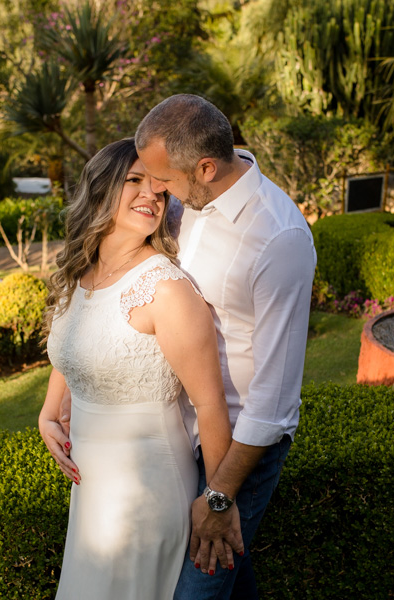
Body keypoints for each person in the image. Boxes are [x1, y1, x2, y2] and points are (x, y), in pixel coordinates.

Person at [134, 94, 317, 599]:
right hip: (185, 433)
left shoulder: (278, 238)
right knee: (230, 585)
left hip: (240, 447)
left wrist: (219, 496)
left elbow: (275, 401)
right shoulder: (192, 201)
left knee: (197, 590)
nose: (157, 190)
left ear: (206, 167)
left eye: (165, 179)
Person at [39, 138, 233, 600]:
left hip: (147, 496)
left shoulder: (165, 289)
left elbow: (210, 404)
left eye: (160, 189)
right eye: (134, 181)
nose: (152, 195)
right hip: (91, 497)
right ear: (102, 188)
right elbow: (76, 347)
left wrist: (219, 504)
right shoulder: (79, 275)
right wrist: (49, 412)